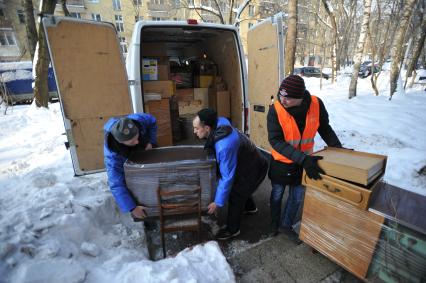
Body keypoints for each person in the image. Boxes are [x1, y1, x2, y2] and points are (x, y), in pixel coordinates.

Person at [267, 75, 342, 238]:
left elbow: (325, 128)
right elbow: (276, 141)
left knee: (297, 197)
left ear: (300, 97)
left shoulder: (316, 104)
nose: (282, 100)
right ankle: (274, 223)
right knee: (277, 194)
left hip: (305, 164)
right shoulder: (275, 109)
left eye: (288, 97)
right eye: (281, 94)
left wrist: (338, 148)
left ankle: (286, 225)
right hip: (282, 163)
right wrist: (303, 159)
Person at [193, 108, 268, 240]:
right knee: (242, 187)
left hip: (255, 167)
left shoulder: (224, 146)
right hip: (250, 162)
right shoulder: (219, 122)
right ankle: (250, 208)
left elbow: (227, 177)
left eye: (196, 128)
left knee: (236, 194)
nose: (194, 131)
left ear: (207, 128)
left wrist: (217, 202)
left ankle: (233, 230)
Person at [104, 113, 157, 220]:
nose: (137, 142)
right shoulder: (113, 157)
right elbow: (116, 184)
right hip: (125, 156)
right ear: (121, 142)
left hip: (146, 147)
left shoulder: (138, 121)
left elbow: (152, 120)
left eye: (137, 137)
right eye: (132, 141)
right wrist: (131, 207)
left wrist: (151, 142)